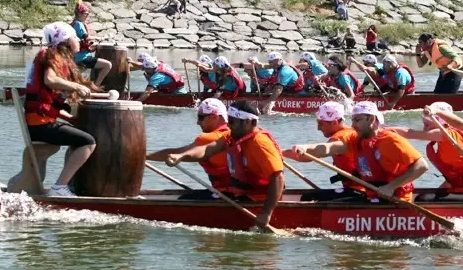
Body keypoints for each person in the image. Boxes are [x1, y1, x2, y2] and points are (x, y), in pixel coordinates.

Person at [163, 101, 284, 229]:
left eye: (232, 122)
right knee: (187, 198)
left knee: (187, 203)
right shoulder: (232, 136)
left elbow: (278, 177)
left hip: (258, 199)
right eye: (229, 121)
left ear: (250, 122)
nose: (228, 126)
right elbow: (207, 149)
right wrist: (181, 156)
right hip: (242, 195)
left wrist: (266, 213)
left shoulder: (260, 143)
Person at [13, 23, 100, 197]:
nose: (77, 40)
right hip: (39, 125)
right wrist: (76, 86)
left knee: (78, 139)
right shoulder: (52, 54)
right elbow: (50, 80)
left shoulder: (58, 57)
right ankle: (59, 187)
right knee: (88, 142)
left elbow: (47, 102)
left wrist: (69, 118)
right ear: (66, 40)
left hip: (40, 122)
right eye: (75, 37)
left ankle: (67, 185)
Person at [286, 101, 427, 202]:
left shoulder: (390, 140)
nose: (353, 125)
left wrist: (390, 187)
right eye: (353, 120)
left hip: (394, 199)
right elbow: (327, 148)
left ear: (371, 119)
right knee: (311, 198)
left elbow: (421, 166)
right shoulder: (357, 139)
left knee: (316, 200)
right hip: (372, 195)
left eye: (357, 120)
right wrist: (304, 148)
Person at [390, 102, 463, 201]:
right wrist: (437, 191)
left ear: (441, 121)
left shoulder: (446, 135)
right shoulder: (438, 142)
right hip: (458, 187)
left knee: (422, 199)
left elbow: (409, 133)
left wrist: (382, 130)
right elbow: (453, 176)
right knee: (423, 196)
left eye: (429, 119)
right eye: (424, 119)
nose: (424, 121)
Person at [147, 98, 233, 200]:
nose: (197, 122)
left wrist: (143, 156)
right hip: (231, 192)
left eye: (201, 117)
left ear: (214, 117)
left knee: (181, 201)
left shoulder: (209, 138)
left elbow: (177, 152)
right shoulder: (232, 133)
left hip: (228, 195)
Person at [285, 101, 364, 201]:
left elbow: (313, 153)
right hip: (360, 188)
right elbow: (309, 156)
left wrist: (282, 152)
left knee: (307, 198)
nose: (318, 128)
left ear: (335, 122)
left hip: (360, 191)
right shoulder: (353, 132)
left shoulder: (341, 137)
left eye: (321, 124)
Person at [70, 2, 112, 88]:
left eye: (88, 14)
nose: (87, 16)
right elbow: (86, 38)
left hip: (76, 57)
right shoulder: (78, 24)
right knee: (107, 65)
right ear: (79, 14)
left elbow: (82, 42)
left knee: (79, 80)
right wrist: (101, 38)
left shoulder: (74, 23)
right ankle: (95, 87)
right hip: (82, 58)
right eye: (85, 14)